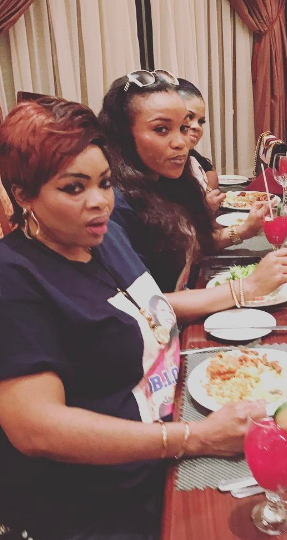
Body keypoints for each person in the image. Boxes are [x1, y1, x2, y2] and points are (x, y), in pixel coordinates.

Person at [0, 97, 266, 539]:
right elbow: (36, 429)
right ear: (24, 194)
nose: (99, 202)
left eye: (104, 182)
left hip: (177, 426)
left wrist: (244, 291)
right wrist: (195, 438)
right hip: (108, 494)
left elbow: (149, 308)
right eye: (73, 188)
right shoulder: (14, 277)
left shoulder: (103, 237)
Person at [99, 71, 287, 319]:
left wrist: (243, 231)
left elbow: (187, 245)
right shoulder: (114, 205)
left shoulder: (166, 182)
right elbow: (140, 306)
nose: (181, 142)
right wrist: (247, 287)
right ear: (123, 135)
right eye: (161, 129)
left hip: (191, 304)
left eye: (183, 127)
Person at [177, 78, 225, 214]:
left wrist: (207, 194)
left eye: (201, 121)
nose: (196, 127)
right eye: (189, 117)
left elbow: (209, 169)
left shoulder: (190, 155)